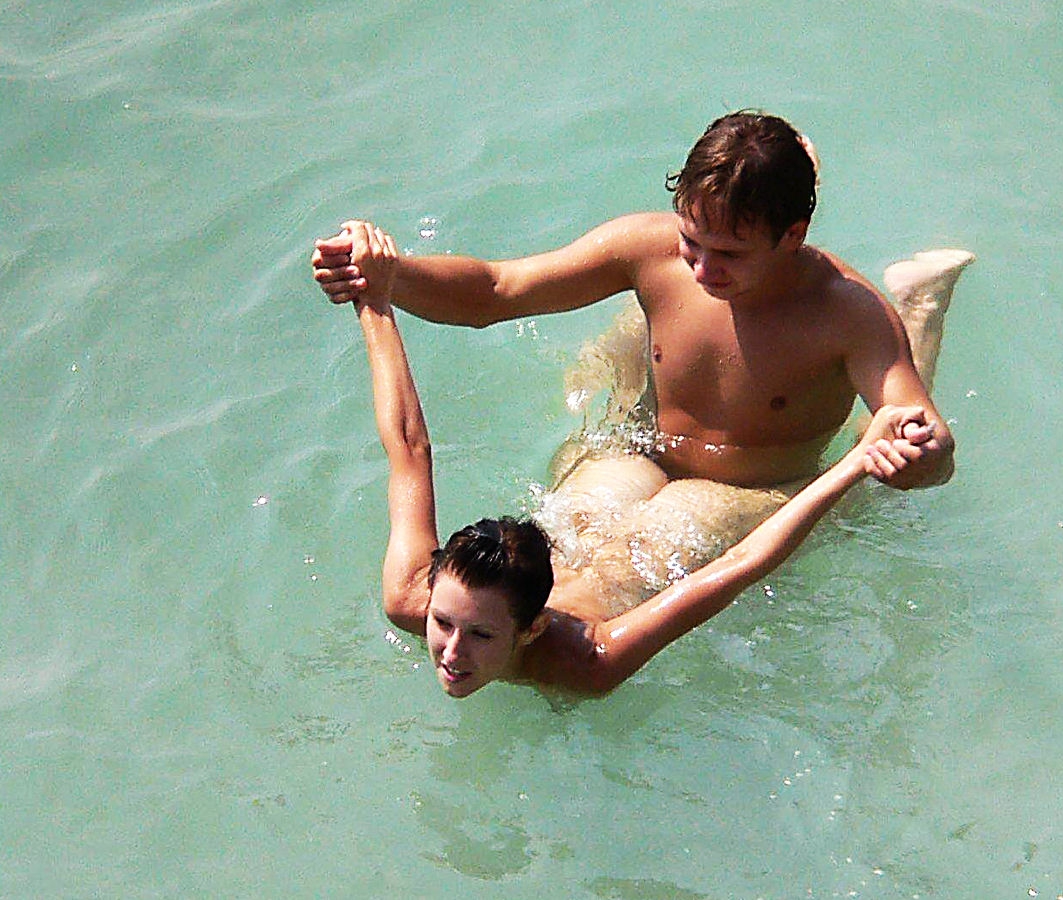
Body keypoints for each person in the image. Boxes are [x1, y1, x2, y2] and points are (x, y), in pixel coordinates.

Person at [312, 110, 973, 613]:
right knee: (543, 570)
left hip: (749, 486)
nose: (702, 269)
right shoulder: (651, 250)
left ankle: (921, 305)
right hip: (639, 454)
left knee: (600, 593)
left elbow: (925, 441)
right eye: (692, 241)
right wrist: (391, 275)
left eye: (729, 254)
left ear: (793, 236)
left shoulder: (848, 312)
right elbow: (495, 290)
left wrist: (921, 451)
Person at [341, 221, 935, 696]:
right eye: (443, 623)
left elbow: (744, 563)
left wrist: (856, 465)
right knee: (610, 442)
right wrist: (373, 300)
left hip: (674, 530)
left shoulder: (588, 661)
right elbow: (408, 448)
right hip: (608, 514)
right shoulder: (412, 598)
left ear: (533, 629)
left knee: (852, 504)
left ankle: (921, 309)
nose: (450, 653)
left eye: (479, 635)